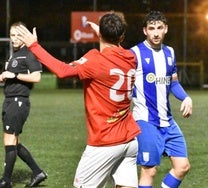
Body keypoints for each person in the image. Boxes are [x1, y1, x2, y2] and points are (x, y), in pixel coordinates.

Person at [16, 12, 141, 187]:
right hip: (130, 141)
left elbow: (63, 71)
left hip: (104, 142)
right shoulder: (131, 58)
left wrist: (34, 46)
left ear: (101, 34)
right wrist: (104, 33)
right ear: (122, 37)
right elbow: (115, 48)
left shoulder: (95, 60)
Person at [130, 11, 193, 188]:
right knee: (149, 171)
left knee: (182, 166)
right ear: (145, 31)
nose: (156, 33)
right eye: (151, 28)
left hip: (168, 121)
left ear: (166, 29)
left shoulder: (170, 52)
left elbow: (173, 84)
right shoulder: (134, 53)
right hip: (145, 121)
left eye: (159, 28)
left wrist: (186, 97)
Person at [0, 22, 47, 187]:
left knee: (10, 140)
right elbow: (13, 75)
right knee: (12, 141)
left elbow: (36, 77)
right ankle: (37, 172)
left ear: (24, 35)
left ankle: (6, 180)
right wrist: (6, 76)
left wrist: (13, 75)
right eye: (12, 35)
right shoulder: (16, 54)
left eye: (17, 35)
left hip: (18, 101)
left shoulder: (29, 53)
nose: (14, 38)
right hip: (10, 100)